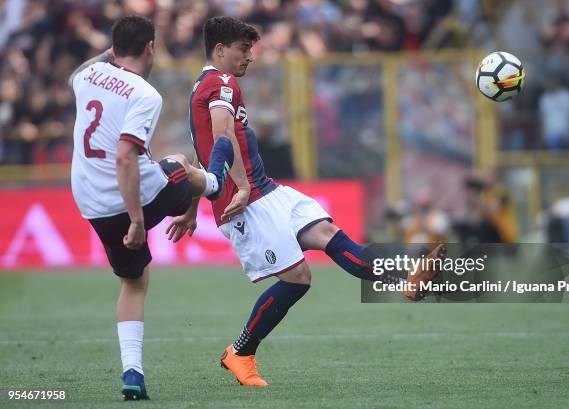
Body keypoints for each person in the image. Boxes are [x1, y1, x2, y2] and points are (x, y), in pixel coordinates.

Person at [166, 16, 442, 387]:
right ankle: (241, 352)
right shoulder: (221, 82)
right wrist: (243, 188)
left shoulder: (206, 85)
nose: (250, 57)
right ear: (220, 50)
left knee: (331, 236)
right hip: (249, 203)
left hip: (269, 192)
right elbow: (221, 137)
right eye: (243, 49)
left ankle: (407, 276)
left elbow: (203, 157)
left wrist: (188, 209)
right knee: (298, 279)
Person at [69, 15, 224, 400]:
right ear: (151, 47)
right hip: (131, 200)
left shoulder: (87, 77)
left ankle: (133, 374)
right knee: (179, 164)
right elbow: (125, 157)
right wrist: (138, 220)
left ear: (113, 48)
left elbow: (77, 72)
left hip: (92, 204)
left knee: (134, 281)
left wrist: (109, 52)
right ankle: (217, 184)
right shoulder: (143, 93)